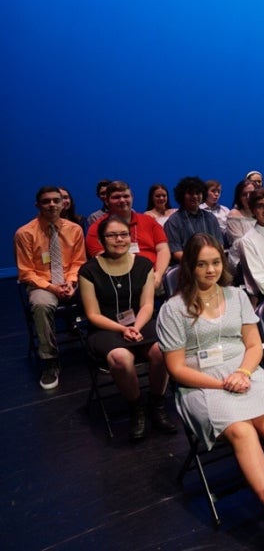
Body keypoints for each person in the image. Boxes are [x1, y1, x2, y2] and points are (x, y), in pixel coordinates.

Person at [156, 234, 264, 551]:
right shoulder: (173, 310)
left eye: (215, 262)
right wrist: (223, 382)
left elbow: (253, 346)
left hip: (245, 369)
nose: (211, 270)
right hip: (201, 380)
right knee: (242, 431)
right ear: (189, 266)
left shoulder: (236, 296)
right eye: (202, 264)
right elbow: (176, 369)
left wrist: (242, 372)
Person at [79, 215, 177, 440]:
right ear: (102, 239)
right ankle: (136, 407)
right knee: (121, 358)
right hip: (105, 327)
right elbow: (92, 314)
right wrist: (123, 329)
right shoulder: (89, 270)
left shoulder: (144, 264)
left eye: (123, 234)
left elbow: (147, 305)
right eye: (112, 235)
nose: (119, 239)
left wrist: (136, 326)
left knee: (163, 350)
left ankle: (157, 403)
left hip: (140, 321)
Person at [15, 186, 87, 389]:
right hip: (43, 284)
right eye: (46, 201)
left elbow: (79, 262)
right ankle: (49, 361)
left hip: (70, 281)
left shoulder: (75, 229)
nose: (52, 205)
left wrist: (71, 282)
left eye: (56, 200)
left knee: (100, 292)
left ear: (64, 203)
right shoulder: (25, 233)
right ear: (38, 205)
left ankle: (102, 348)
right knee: (41, 305)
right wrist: (53, 288)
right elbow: (26, 272)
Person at [85, 181, 170, 290]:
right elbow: (103, 260)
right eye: (116, 197)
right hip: (120, 279)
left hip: (154, 274)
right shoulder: (96, 228)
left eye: (126, 196)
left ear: (132, 198)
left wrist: (158, 274)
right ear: (107, 201)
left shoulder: (149, 221)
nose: (122, 200)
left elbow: (163, 249)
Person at [164, 176, 224, 262]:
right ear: (182, 196)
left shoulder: (211, 218)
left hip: (212, 262)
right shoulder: (173, 221)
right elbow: (176, 252)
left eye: (198, 193)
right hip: (186, 266)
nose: (195, 196)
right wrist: (197, 263)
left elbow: (220, 246)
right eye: (191, 193)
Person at [226, 179, 257, 246]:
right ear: (239, 197)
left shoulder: (261, 213)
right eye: (244, 194)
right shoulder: (234, 214)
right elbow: (239, 244)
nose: (248, 197)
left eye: (251, 193)